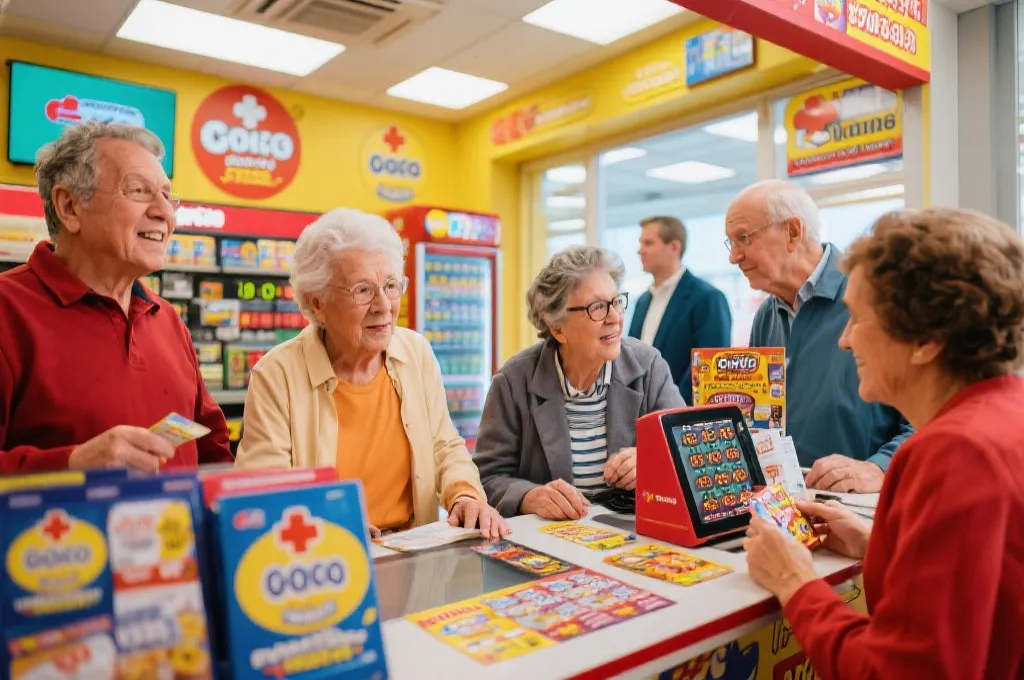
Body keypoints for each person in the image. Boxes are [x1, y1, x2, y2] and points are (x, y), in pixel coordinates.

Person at [744, 207, 1024, 679]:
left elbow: (896, 671)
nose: (845, 342)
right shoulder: (1005, 414)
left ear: (925, 339)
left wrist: (794, 581)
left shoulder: (954, 453)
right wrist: (882, 548)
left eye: (856, 319)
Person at [235, 208, 508, 539]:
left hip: (412, 551)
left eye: (391, 285)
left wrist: (464, 494)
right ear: (317, 303)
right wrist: (334, 522)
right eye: (363, 290)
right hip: (322, 557)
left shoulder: (416, 353)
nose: (384, 305)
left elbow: (444, 446)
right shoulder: (276, 376)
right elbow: (264, 490)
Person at [0, 122, 232, 474]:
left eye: (168, 196)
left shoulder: (167, 319)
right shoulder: (7, 311)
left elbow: (212, 450)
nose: (165, 213)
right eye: (139, 190)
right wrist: (70, 465)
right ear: (70, 207)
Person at [725, 180, 911, 492]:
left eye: (743, 238)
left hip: (860, 511)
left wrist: (880, 467)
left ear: (792, 232)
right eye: (731, 243)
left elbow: (933, 414)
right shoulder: (766, 316)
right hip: (787, 507)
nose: (734, 257)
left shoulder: (874, 295)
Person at [474, 246, 685, 519]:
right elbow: (486, 477)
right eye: (597, 307)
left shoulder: (649, 367)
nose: (614, 318)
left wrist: (654, 462)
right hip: (549, 543)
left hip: (634, 536)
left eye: (616, 301)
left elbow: (686, 446)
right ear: (558, 328)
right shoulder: (513, 381)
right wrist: (528, 497)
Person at [628, 216, 731, 403]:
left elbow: (710, 370)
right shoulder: (642, 301)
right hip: (640, 414)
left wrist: (673, 408)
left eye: (648, 243)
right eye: (640, 243)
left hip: (682, 415)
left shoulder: (707, 298)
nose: (640, 250)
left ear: (674, 247)